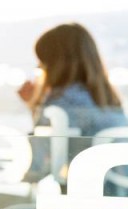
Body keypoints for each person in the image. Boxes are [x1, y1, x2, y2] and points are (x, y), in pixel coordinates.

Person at [18, 23, 127, 182]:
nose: (39, 66)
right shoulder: (110, 102)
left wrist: (36, 106)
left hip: (87, 197)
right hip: (119, 198)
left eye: (43, 61)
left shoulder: (60, 103)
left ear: (55, 64)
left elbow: (39, 167)